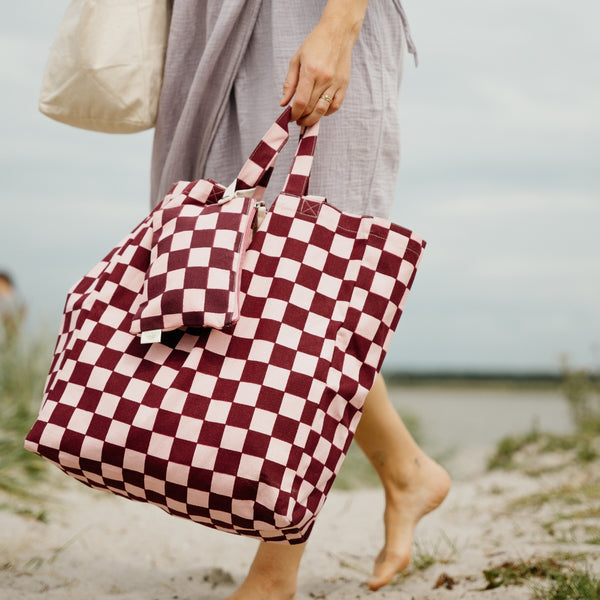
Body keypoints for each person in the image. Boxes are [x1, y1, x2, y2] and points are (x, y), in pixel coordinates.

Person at [151, 1, 450, 597]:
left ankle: (275, 576)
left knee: (313, 292)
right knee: (218, 270)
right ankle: (407, 469)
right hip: (209, 27)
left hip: (307, 17)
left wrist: (339, 25)